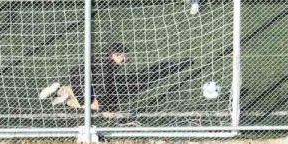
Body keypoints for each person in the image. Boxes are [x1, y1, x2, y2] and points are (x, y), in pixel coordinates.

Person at [39, 46, 190, 113]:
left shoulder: (106, 61)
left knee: (97, 98)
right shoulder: (105, 67)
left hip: (80, 78)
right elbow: (100, 87)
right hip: (81, 82)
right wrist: (105, 110)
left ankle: (60, 90)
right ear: (114, 55)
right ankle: (65, 98)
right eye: (122, 55)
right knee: (93, 105)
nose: (125, 58)